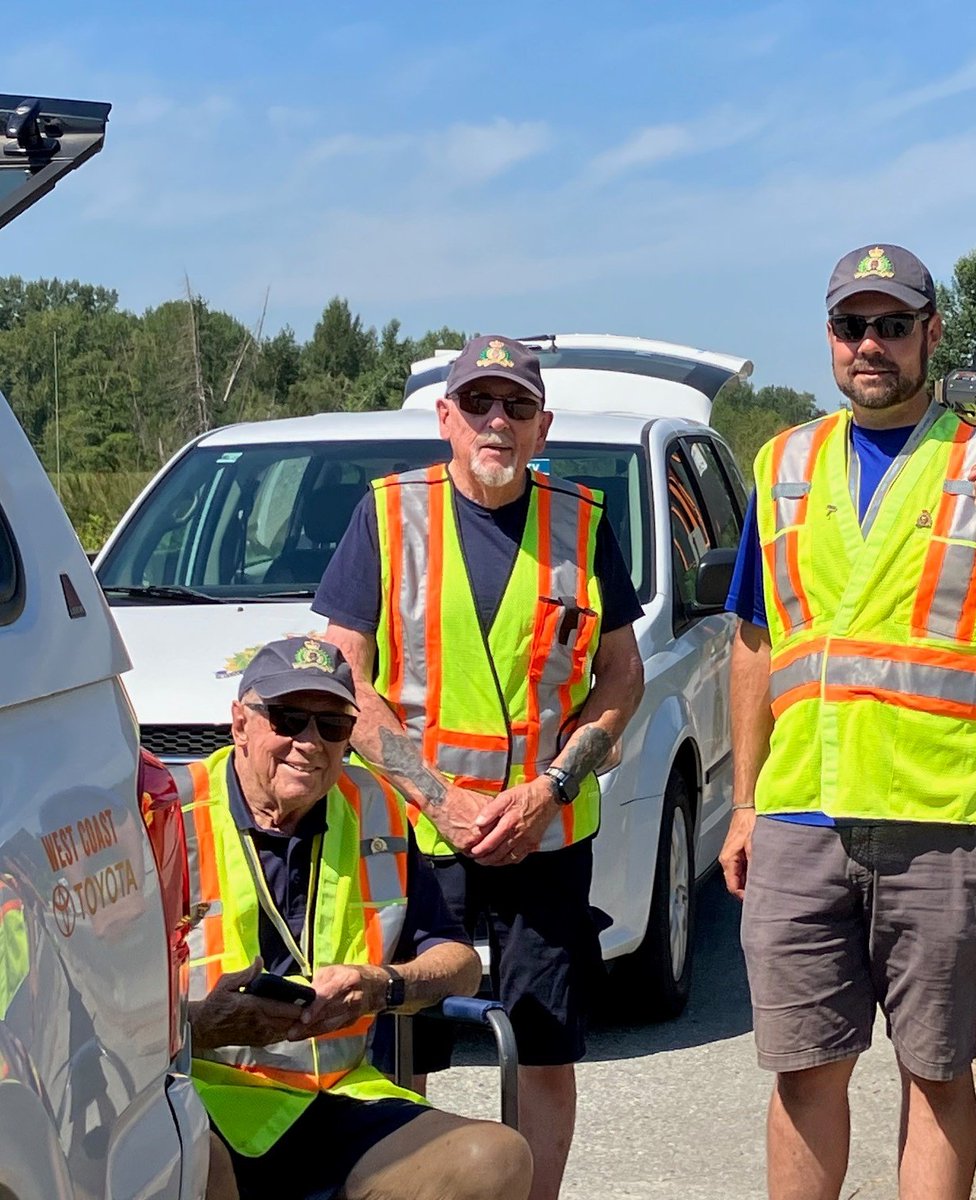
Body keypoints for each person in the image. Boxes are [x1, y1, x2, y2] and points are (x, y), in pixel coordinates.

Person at [719, 244, 976, 1200]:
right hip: (802, 817)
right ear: (828, 339)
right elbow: (754, 641)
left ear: (930, 335)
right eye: (853, 326)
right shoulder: (783, 463)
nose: (872, 345)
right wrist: (741, 806)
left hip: (948, 825)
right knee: (804, 1074)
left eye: (893, 325)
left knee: (935, 1075)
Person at [316, 334, 646, 1200]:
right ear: (446, 418)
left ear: (543, 428)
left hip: (549, 830)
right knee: (402, 1044)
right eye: (479, 404)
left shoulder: (583, 520)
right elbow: (341, 671)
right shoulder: (387, 515)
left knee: (545, 1045)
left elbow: (622, 674)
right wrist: (440, 799)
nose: (497, 422)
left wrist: (551, 788)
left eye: (517, 408)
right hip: (418, 834)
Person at [175, 637, 533, 1200]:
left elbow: (459, 964)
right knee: (196, 1164)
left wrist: (382, 986)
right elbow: (93, 1011)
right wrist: (201, 1023)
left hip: (338, 1100)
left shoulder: (376, 809)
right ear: (240, 724)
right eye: (289, 719)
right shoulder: (167, 819)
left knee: (495, 1159)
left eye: (333, 725)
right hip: (200, 1097)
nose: (309, 743)